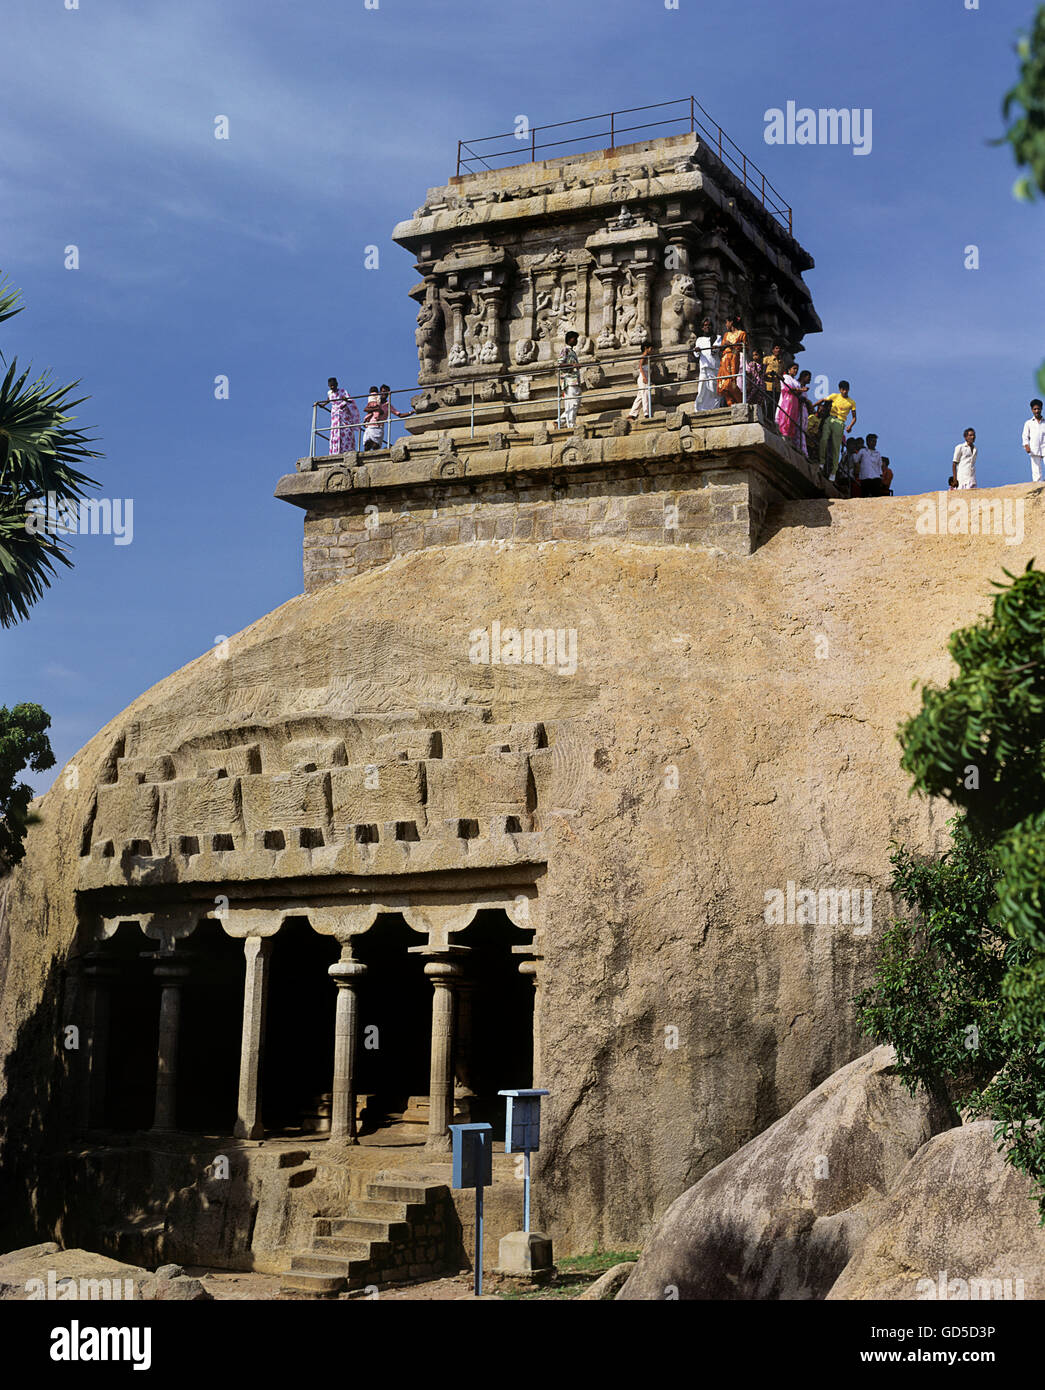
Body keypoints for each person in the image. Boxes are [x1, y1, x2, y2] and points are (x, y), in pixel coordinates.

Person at [818, 380, 857, 479]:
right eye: (843, 389)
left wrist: (850, 426)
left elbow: (854, 417)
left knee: (836, 448)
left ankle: (833, 472)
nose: (845, 391)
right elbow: (823, 400)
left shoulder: (851, 402)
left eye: (846, 389)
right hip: (830, 418)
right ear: (840, 389)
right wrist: (812, 407)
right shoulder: (835, 396)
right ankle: (822, 462)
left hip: (840, 422)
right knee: (824, 439)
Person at [316, 377, 359, 455]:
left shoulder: (343, 391)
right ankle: (336, 450)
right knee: (335, 431)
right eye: (331, 386)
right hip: (335, 415)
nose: (332, 388)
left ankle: (347, 449)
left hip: (344, 413)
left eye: (334, 386)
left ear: (337, 384)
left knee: (346, 430)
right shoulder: (329, 393)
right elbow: (328, 400)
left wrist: (345, 401)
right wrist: (321, 405)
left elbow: (350, 400)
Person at [717, 317, 747, 405]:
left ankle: (741, 401)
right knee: (722, 384)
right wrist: (722, 345)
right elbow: (722, 347)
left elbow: (746, 348)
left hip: (734, 358)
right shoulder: (726, 334)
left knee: (731, 381)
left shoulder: (742, 333)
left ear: (731, 322)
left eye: (726, 322)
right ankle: (731, 403)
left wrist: (731, 345)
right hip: (724, 358)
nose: (726, 325)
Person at [775, 363, 807, 445]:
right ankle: (783, 434)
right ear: (789, 369)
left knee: (793, 419)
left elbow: (798, 392)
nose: (795, 370)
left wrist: (799, 391)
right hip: (787, 400)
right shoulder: (786, 377)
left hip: (795, 402)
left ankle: (790, 438)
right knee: (786, 417)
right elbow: (787, 388)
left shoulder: (796, 382)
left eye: (797, 369)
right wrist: (800, 390)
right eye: (794, 368)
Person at [693, 318, 720, 412]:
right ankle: (699, 409)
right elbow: (696, 354)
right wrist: (696, 350)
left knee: (713, 389)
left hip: (714, 367)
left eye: (709, 325)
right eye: (705, 325)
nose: (707, 327)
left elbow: (717, 349)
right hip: (704, 367)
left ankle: (715, 408)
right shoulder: (699, 339)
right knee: (702, 388)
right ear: (702, 328)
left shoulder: (717, 337)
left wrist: (714, 348)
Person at [559, 330, 582, 427]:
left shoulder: (573, 352)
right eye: (575, 339)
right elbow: (560, 364)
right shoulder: (565, 350)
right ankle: (571, 425)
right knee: (572, 403)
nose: (576, 341)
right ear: (570, 339)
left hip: (575, 380)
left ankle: (559, 421)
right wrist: (573, 365)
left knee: (576, 403)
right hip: (569, 380)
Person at [627, 345, 653, 420]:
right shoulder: (644, 356)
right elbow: (640, 366)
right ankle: (646, 413)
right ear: (646, 348)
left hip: (644, 378)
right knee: (645, 394)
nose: (652, 350)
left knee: (640, 396)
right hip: (642, 378)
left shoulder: (647, 357)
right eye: (650, 348)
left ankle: (632, 414)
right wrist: (644, 377)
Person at [1023, 399, 1045, 482]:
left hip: (1044, 447)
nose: (1037, 411)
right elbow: (1025, 436)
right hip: (1034, 449)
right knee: (1036, 471)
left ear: (1041, 409)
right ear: (1032, 410)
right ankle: (1038, 488)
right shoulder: (1028, 423)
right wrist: (1026, 446)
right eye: (1035, 409)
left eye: (1038, 409)